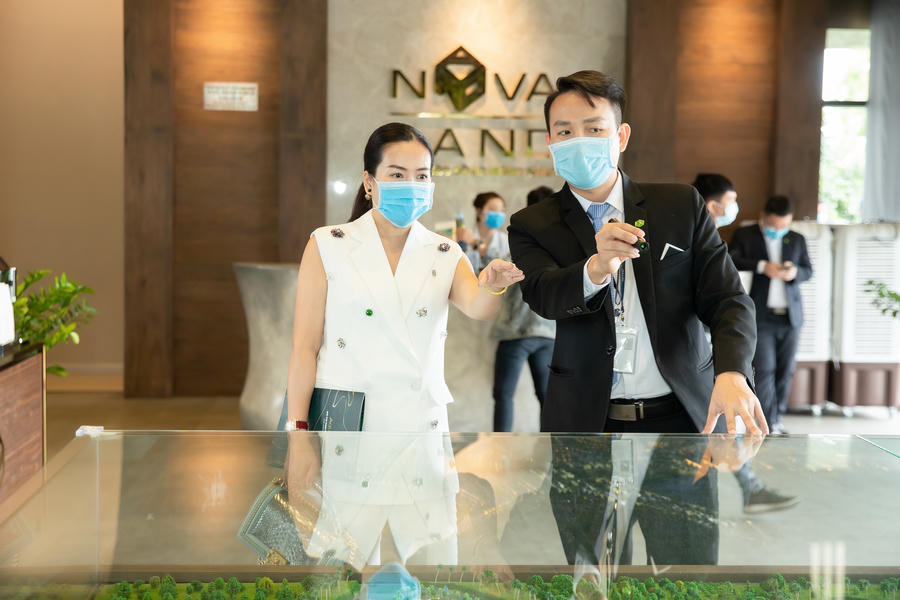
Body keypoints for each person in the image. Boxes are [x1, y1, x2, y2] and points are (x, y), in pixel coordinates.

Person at [507, 70, 763, 567]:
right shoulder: (532, 223)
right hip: (586, 426)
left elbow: (729, 299)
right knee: (595, 574)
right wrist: (595, 268)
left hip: (678, 423)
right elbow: (542, 295)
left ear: (620, 136)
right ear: (550, 142)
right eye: (564, 131)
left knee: (685, 571)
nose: (578, 140)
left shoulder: (678, 205)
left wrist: (732, 371)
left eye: (593, 128)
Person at [281, 122, 524, 567]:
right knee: (344, 566)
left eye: (421, 175)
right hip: (349, 428)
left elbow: (478, 307)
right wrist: (298, 436)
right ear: (369, 181)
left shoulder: (444, 252)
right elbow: (304, 348)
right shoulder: (327, 244)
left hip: (419, 430)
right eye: (396, 174)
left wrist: (492, 284)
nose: (410, 185)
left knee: (431, 565)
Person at [696, 174, 800, 513]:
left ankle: (750, 488)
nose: (734, 208)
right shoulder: (697, 236)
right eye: (730, 201)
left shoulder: (710, 234)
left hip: (719, 337)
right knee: (717, 420)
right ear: (712, 205)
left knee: (720, 423)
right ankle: (748, 489)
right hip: (698, 344)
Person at [728, 195, 813, 435]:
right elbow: (730, 260)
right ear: (763, 217)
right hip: (760, 316)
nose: (779, 230)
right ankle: (766, 422)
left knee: (785, 371)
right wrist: (762, 266)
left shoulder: (796, 238)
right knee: (764, 370)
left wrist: (794, 273)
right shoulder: (745, 235)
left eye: (784, 225)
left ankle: (776, 419)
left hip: (790, 317)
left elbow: (808, 270)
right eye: (774, 225)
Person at [489, 186, 557, 431]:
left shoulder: (521, 240)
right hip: (549, 332)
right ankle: (551, 448)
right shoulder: (560, 245)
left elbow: (497, 279)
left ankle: (500, 447)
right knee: (546, 396)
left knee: (504, 395)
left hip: (515, 331)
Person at [456, 192, 509, 272]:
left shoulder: (505, 240)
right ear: (479, 212)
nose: (499, 214)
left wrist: (476, 243)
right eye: (493, 209)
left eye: (502, 210)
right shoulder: (465, 236)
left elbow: (502, 268)